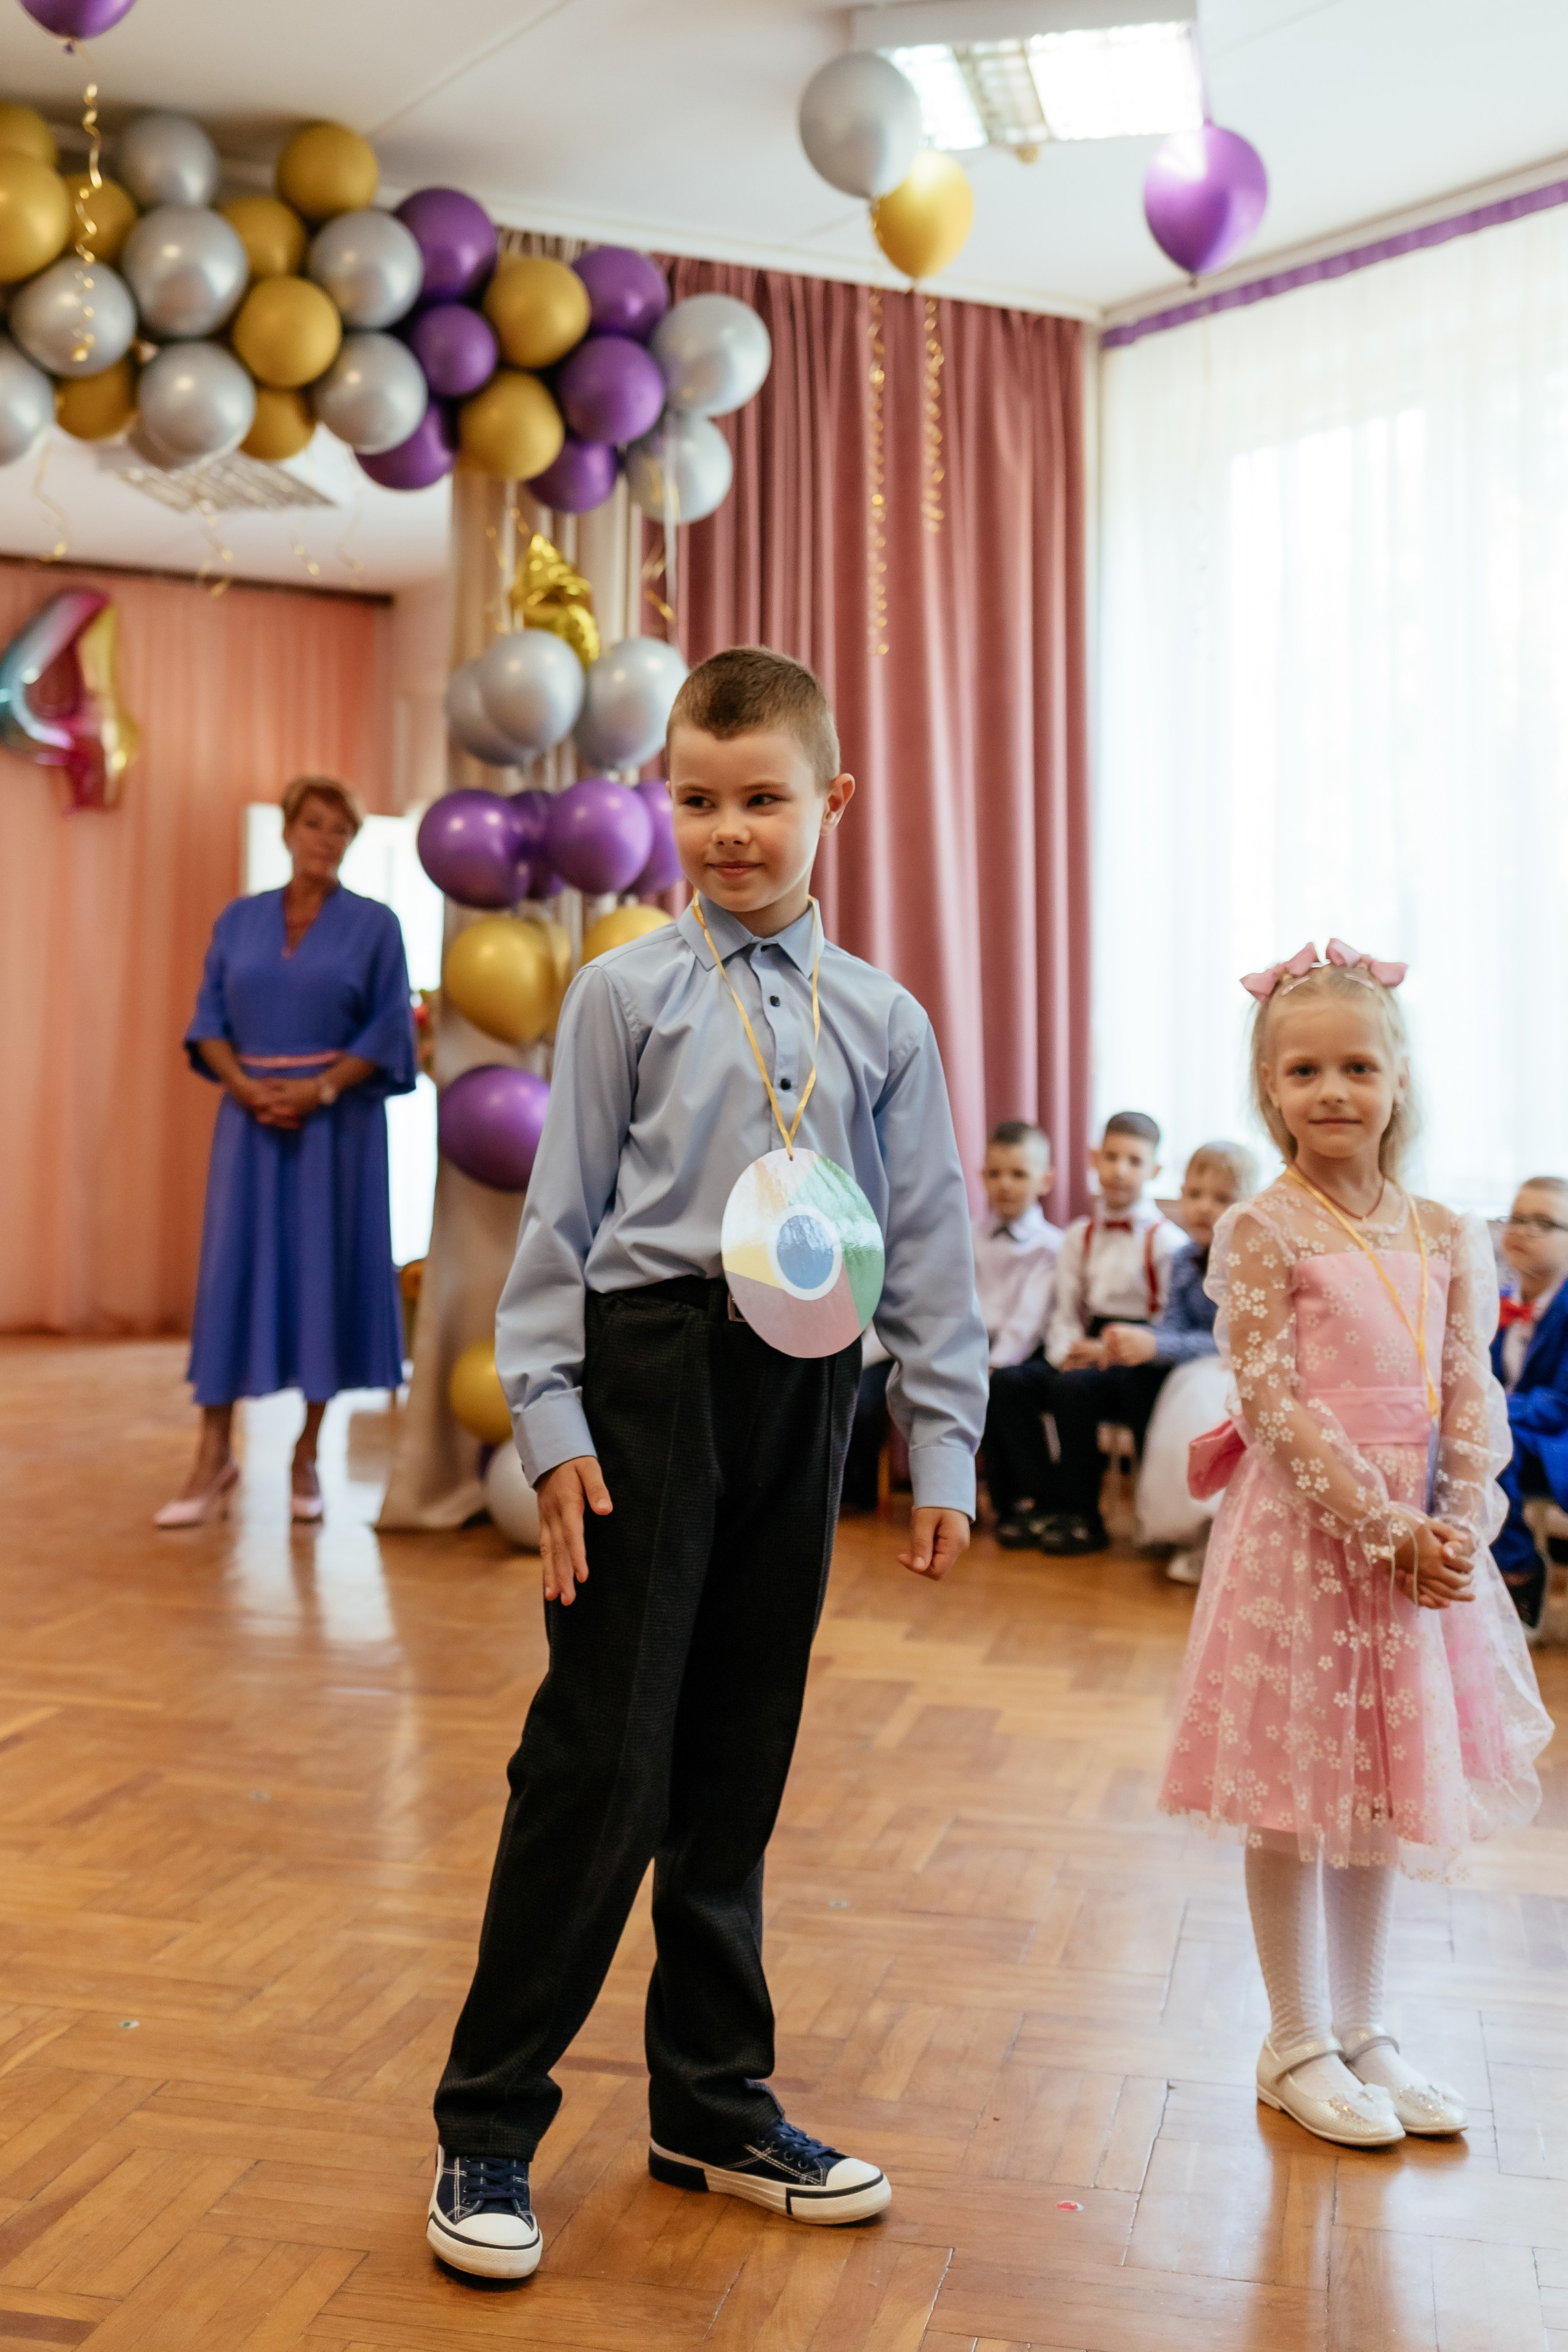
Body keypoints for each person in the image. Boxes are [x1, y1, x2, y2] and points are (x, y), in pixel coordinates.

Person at [428, 647, 989, 2282]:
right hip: (651, 1376)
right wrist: (551, 1428)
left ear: (832, 801)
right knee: (601, 1755)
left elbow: (929, 1237)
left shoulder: (884, 1018)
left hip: (807, 1380)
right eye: (697, 798)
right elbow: (557, 1231)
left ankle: (711, 2103)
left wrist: (940, 1442)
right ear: (664, 800)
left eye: (762, 798)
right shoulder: (623, 994)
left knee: (740, 1747)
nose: (728, 829)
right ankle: (487, 2118)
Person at [1159, 940, 1550, 2154]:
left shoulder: (1445, 1230)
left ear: (1397, 1079)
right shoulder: (1260, 1228)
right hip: (1304, 1543)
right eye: (1303, 1071)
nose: (1332, 1091)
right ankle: (1293, 2040)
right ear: (1268, 1088)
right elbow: (1272, 1406)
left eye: (1357, 1067)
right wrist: (1382, 1527)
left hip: (1417, 1549)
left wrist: (1461, 1523)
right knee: (1290, 1789)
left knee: (1378, 1783)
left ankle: (1364, 2026)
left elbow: (1471, 1388)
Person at [156, 776, 416, 1528]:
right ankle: (212, 1457)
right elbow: (208, 1019)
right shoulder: (238, 920)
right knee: (230, 1275)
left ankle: (306, 1454)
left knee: (323, 1276)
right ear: (288, 830)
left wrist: (320, 1090)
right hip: (249, 1124)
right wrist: (244, 1087)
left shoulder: (376, 926)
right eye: (313, 823)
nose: (324, 839)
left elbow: (389, 1029)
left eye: (340, 828)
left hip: (337, 1132)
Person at [986, 1111, 1183, 1551]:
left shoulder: (1165, 1240)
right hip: (1085, 1344)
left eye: (1134, 1161)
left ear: (1154, 1170)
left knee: (1074, 1390)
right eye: (1111, 1157)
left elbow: (1167, 1321)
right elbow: (1065, 1309)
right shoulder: (1079, 1235)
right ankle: (1040, 1501)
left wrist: (1107, 1351)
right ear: (1095, 1159)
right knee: (1011, 1384)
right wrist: (1066, 1354)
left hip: (1139, 1354)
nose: (1119, 1170)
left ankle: (1082, 1516)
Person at [842, 1120, 1059, 1519]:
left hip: (1005, 1352)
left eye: (1018, 1174)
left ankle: (1001, 1503)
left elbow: (1027, 1322)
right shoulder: (962, 1234)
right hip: (945, 1342)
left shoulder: (1052, 1247)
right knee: (863, 1391)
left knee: (993, 1396)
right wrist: (861, 1356)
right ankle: (854, 1491)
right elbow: (931, 1300)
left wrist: (994, 1364)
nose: (1005, 1184)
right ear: (981, 1176)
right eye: (995, 1173)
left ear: (1045, 1180)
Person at [1105, 1141, 1262, 1584]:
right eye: (1194, 1194)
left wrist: (1158, 1346)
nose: (1204, 1207)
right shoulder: (1182, 1259)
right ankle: (1191, 1530)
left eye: (1221, 1198)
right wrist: (1141, 1340)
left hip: (1240, 1365)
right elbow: (1174, 1323)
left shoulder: (1252, 1261)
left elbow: (1236, 1339)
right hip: (1198, 1362)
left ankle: (1223, 1532)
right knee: (1180, 1392)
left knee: (1202, 1399)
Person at [1491, 1175, 1568, 1630]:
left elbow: (1561, 1404)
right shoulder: (1492, 1302)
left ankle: (1517, 1568)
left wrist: (1485, 1410)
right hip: (1514, 1433)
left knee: (1488, 1436)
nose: (1523, 1230)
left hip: (1556, 1440)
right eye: (1516, 1218)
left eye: (1544, 1223)